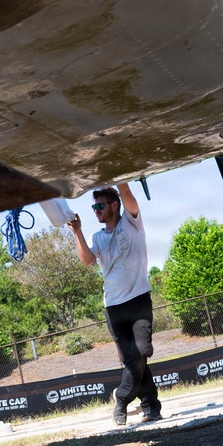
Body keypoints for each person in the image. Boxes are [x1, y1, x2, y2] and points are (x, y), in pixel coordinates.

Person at [67, 182, 161, 426]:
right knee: (132, 359)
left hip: (139, 298)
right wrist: (77, 232)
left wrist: (117, 172)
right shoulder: (97, 237)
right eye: (94, 207)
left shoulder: (132, 222)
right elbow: (87, 260)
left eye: (100, 206)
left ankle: (121, 398)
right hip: (113, 306)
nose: (96, 211)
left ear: (114, 205)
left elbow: (126, 191)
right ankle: (151, 406)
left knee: (142, 351)